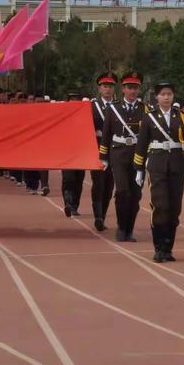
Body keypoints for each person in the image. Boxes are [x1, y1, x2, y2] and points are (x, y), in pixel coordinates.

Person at [134, 82, 184, 262]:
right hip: (156, 164)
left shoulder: (181, 117)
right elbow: (141, 145)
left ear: (173, 96)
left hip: (177, 165)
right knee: (160, 205)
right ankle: (158, 247)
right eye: (163, 94)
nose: (166, 97)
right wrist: (139, 170)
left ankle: (168, 248)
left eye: (169, 94)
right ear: (156, 97)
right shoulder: (149, 118)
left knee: (174, 208)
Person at [100, 72, 147, 242]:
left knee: (135, 194)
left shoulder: (145, 109)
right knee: (122, 191)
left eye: (135, 88)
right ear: (123, 89)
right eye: (129, 87)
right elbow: (106, 134)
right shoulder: (113, 108)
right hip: (118, 154)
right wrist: (103, 157)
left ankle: (129, 229)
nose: (132, 91)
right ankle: (121, 227)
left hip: (138, 156)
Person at [90, 72, 117, 231]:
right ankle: (98, 216)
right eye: (105, 86)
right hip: (97, 148)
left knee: (109, 184)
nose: (108, 89)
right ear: (99, 88)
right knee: (98, 182)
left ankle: (103, 215)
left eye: (111, 86)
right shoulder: (92, 106)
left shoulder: (119, 106)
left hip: (115, 149)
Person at [61, 92, 85, 217]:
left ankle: (75, 205)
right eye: (72, 99)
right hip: (66, 153)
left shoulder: (84, 116)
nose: (74, 101)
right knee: (68, 178)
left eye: (77, 99)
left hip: (81, 153)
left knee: (79, 180)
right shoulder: (62, 116)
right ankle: (68, 204)